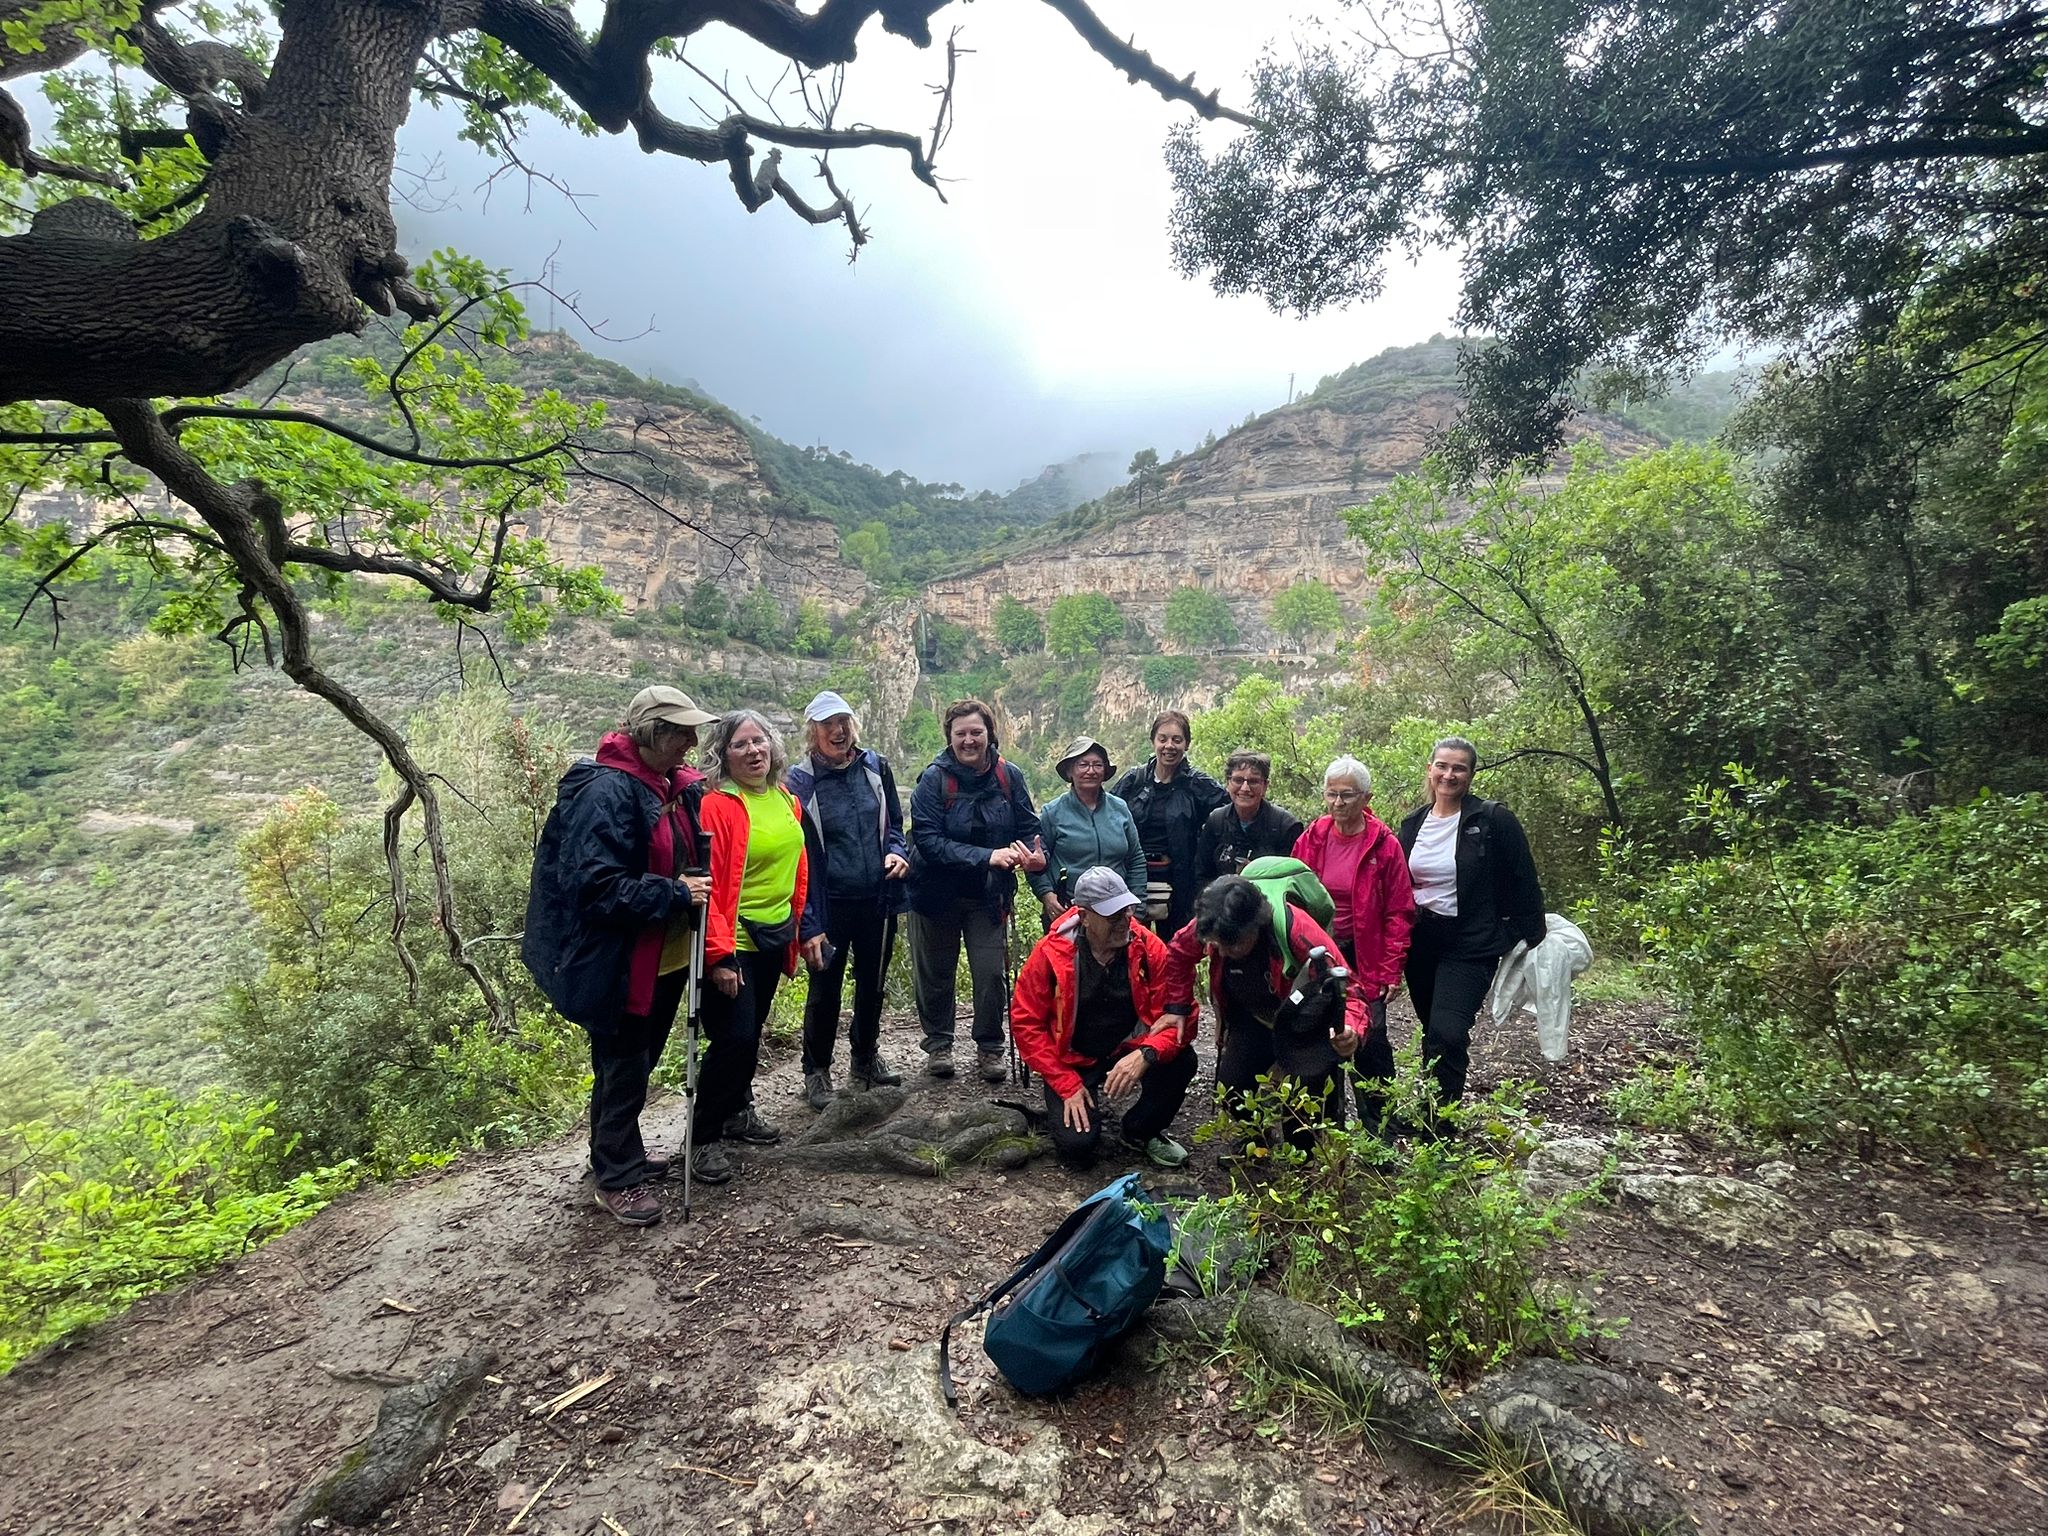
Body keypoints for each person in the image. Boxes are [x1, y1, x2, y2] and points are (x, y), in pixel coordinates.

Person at [523, 685, 728, 1227]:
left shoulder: (665, 785)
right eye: (681, 732)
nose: (691, 742)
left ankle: (618, 1153)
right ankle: (616, 1178)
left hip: (660, 958)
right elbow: (593, 887)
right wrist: (674, 892)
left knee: (633, 1064)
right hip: (620, 961)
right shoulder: (606, 792)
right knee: (623, 1067)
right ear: (652, 733)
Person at [690, 709, 818, 1186]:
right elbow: (708, 886)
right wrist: (718, 955)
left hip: (773, 935)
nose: (753, 751)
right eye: (740, 744)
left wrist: (801, 929)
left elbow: (798, 868)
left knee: (751, 1032)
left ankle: (737, 1111)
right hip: (733, 942)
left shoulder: (787, 799)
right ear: (723, 754)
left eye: (758, 741)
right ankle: (702, 1137)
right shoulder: (716, 805)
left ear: (772, 745)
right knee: (735, 1039)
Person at [1010, 867, 1198, 1169]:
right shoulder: (1051, 954)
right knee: (1077, 1147)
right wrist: (1066, 1084)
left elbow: (1181, 1016)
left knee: (1183, 1060)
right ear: (1084, 917)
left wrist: (1147, 1053)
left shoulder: (1148, 948)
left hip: (1130, 1047)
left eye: (1127, 911)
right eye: (1113, 916)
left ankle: (1140, 1130)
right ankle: (1077, 1105)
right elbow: (1026, 1023)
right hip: (1073, 1059)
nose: (1124, 921)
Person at [1163, 874, 1369, 1148]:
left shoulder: (1298, 931)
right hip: (1254, 1017)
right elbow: (1178, 953)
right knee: (1232, 1089)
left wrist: (1351, 1029)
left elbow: (1349, 988)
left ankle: (1305, 1162)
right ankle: (1258, 1142)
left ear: (1256, 925)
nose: (1223, 953)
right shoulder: (1214, 922)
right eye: (1217, 945)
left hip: (1304, 1022)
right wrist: (1177, 1006)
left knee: (1301, 1106)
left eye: (1234, 944)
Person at [1396, 736, 1545, 1106]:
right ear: (1430, 770)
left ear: (1471, 774)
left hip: (1470, 943)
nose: (1449, 775)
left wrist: (1528, 937)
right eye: (1442, 766)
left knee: (1448, 1031)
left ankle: (1442, 1123)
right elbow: (1398, 883)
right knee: (1434, 1030)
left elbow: (1524, 879)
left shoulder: (1492, 819)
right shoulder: (1413, 823)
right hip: (1421, 942)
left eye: (1459, 768)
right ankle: (1431, 1110)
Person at [906, 698, 1049, 1082]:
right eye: (961, 734)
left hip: (987, 896)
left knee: (989, 974)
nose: (969, 740)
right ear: (949, 737)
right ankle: (939, 1044)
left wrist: (1036, 855)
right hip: (934, 893)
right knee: (936, 973)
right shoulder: (933, 780)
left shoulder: (1008, 777)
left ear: (989, 734)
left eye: (976, 732)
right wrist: (988, 856)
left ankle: (990, 1046)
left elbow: (1028, 828)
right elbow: (929, 842)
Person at [786, 690, 910, 1109]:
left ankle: (865, 1056)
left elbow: (895, 824)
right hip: (829, 903)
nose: (838, 731)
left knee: (873, 983)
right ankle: (817, 1070)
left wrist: (896, 851)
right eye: (828, 724)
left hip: (877, 897)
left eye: (843, 722)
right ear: (813, 732)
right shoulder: (799, 783)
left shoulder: (876, 767)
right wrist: (808, 917)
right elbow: (797, 851)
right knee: (825, 988)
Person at [1291, 756, 1415, 1126]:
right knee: (1321, 1031)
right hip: (1320, 951)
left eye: (1347, 795)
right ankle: (1328, 1124)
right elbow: (1292, 895)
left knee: (1371, 1036)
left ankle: (1380, 1127)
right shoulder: (1313, 837)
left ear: (1366, 798)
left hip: (1367, 952)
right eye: (1332, 794)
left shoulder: (1384, 844)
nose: (1338, 802)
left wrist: (1392, 969)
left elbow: (1399, 911)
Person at [1111, 710, 1228, 932]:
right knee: (1132, 941)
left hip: (1181, 883)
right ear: (1153, 741)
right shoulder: (1134, 780)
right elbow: (1108, 815)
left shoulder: (1198, 784)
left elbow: (1230, 814)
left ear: (1187, 744)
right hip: (1134, 878)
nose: (1169, 746)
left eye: (1177, 740)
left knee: (1175, 945)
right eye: (1163, 739)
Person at [1036, 736, 1148, 923]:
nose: (1091, 771)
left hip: (1118, 911)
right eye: (1083, 765)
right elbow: (1036, 862)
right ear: (1070, 771)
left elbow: (1135, 858)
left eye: (1097, 765)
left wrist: (1137, 905)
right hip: (1067, 911)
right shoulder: (1052, 812)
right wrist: (1046, 895)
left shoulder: (1120, 808)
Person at [1195, 750, 1305, 884]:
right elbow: (1202, 876)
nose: (1245, 788)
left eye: (1253, 781)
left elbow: (1293, 882)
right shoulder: (1216, 821)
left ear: (1265, 786)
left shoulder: (1286, 826)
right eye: (1238, 780)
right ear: (1228, 783)